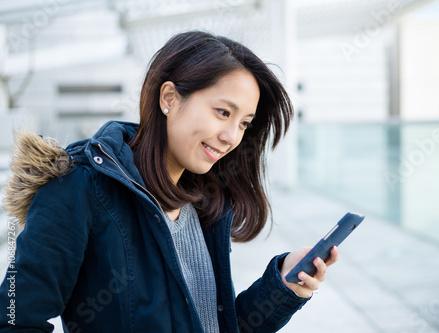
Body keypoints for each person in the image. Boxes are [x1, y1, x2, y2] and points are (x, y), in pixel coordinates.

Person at [0, 31, 339, 332]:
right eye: (223, 112)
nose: (231, 136)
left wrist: (283, 286)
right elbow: (14, 317)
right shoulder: (79, 189)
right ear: (169, 98)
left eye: (244, 123)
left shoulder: (204, 202)